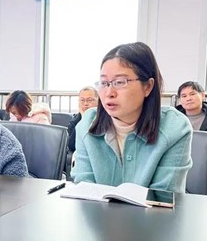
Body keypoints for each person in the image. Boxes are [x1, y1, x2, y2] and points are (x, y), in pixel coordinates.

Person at [72, 42, 192, 193]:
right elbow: (84, 190)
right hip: (94, 209)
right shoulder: (87, 125)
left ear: (148, 86)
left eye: (119, 82)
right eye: (104, 83)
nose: (109, 93)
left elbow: (161, 197)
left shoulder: (175, 127)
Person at [67, 85, 99, 152]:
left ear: (98, 101)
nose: (85, 103)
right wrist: (83, 119)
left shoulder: (104, 119)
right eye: (82, 100)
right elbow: (72, 146)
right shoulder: (75, 120)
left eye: (89, 100)